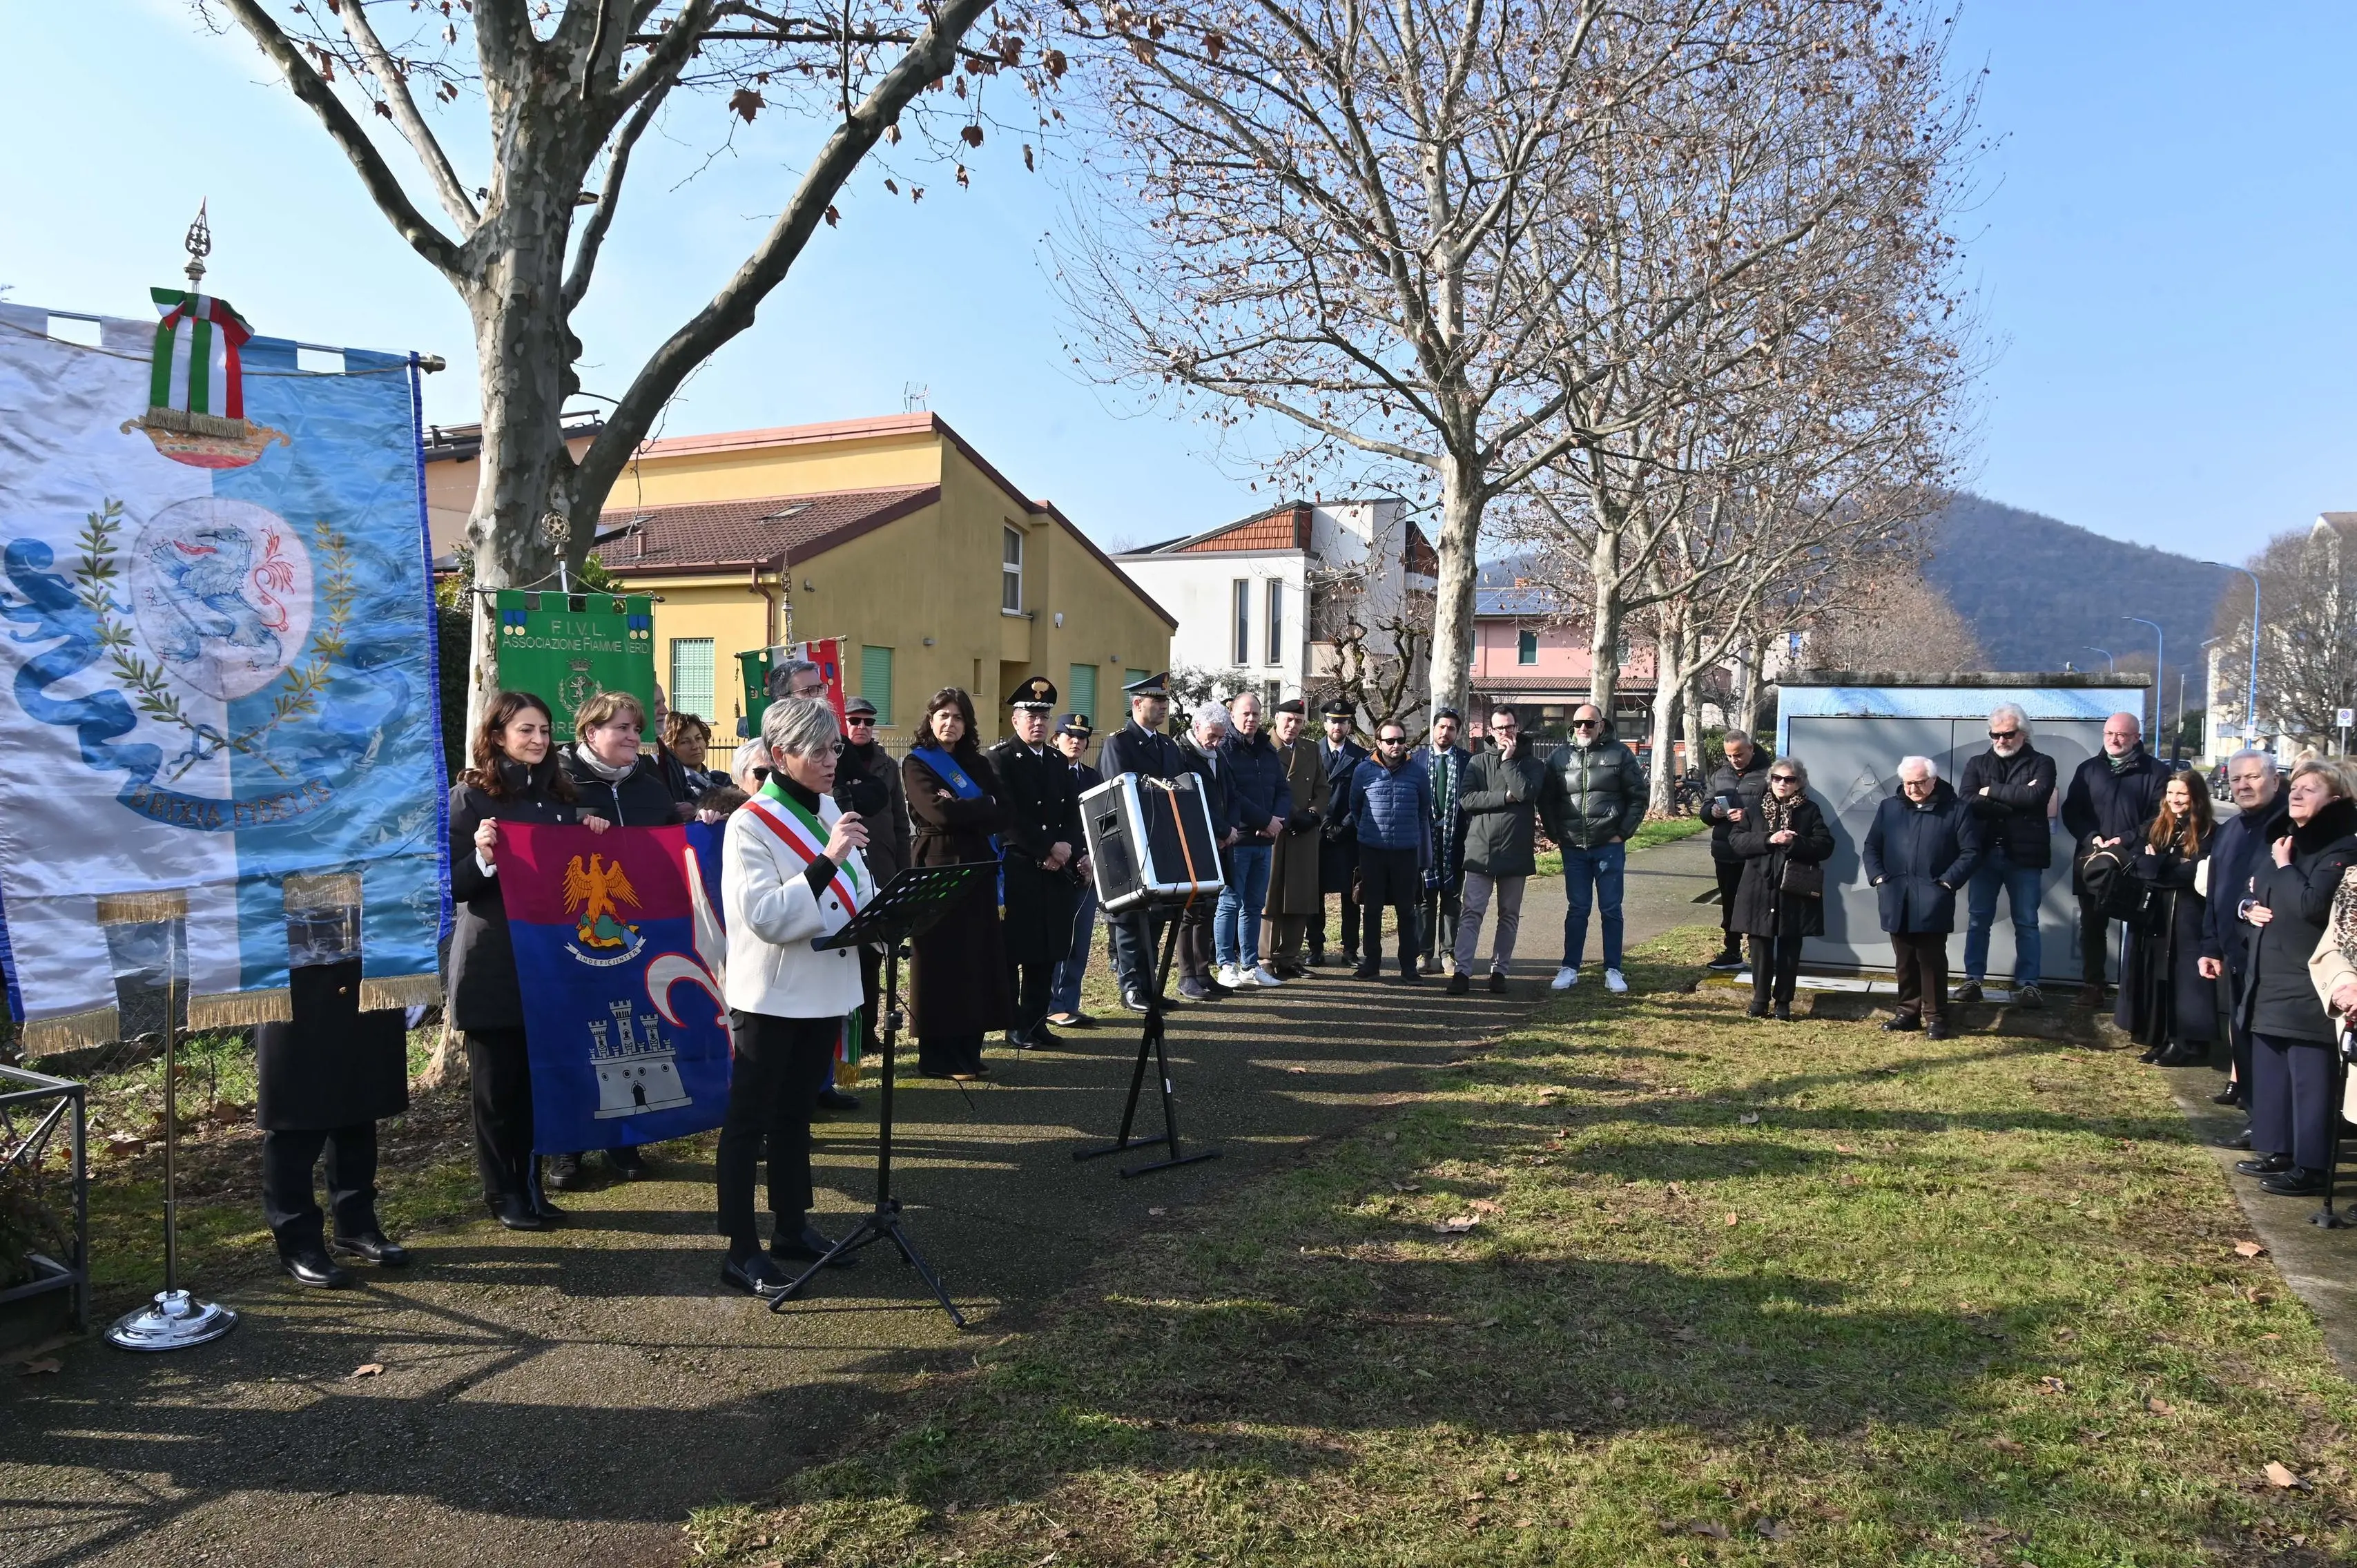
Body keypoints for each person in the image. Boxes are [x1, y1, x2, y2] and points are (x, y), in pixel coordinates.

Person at [715, 697, 866, 1296]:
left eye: (835, 748)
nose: (834, 759)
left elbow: (858, 885)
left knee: (796, 1116)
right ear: (781, 755)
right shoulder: (749, 823)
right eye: (821, 750)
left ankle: (792, 1227)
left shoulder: (828, 805)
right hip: (772, 994)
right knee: (748, 1122)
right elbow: (766, 916)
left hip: (825, 985)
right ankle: (739, 1247)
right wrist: (829, 860)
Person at [447, 690, 593, 1230]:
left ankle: (531, 1186)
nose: (537, 739)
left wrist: (593, 834)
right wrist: (482, 856)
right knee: (496, 1090)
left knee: (538, 1084)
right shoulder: (471, 796)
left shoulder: (559, 798)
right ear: (498, 734)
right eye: (525, 729)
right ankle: (501, 1192)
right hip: (494, 961)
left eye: (544, 730)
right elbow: (455, 886)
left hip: (550, 965)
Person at [552, 689, 684, 1189]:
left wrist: (701, 821)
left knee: (630, 1037)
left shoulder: (649, 784)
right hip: (574, 940)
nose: (634, 737)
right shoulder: (562, 783)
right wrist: (572, 822)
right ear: (591, 733)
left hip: (638, 937)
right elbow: (537, 838)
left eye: (636, 728)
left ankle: (624, 1137)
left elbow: (675, 841)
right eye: (623, 728)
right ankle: (568, 1147)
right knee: (575, 1035)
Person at [2231, 757, 2357, 1197]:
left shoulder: (2340, 848)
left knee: (2310, 1076)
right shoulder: (2283, 840)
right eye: (2296, 787)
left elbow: (2310, 906)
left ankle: (2312, 1164)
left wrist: (2284, 868)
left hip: (2308, 978)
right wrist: (2246, 910)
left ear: (2336, 799)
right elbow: (2252, 894)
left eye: (2311, 789)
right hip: (2268, 973)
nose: (2298, 794)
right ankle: (2278, 1148)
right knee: (2271, 1066)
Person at [256, 944, 411, 1288]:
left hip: (359, 962)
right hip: (290, 970)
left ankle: (356, 1225)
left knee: (358, 1102)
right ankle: (298, 1244)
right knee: (295, 1117)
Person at [902, 688, 1013, 1077]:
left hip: (979, 866)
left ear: (968, 724)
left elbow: (1004, 813)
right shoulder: (917, 764)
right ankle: (937, 1057)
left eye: (958, 717)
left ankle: (968, 1052)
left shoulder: (978, 764)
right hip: (937, 866)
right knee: (942, 960)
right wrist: (981, 807)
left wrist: (965, 805)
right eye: (943, 715)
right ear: (931, 720)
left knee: (976, 958)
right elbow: (938, 813)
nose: (950, 723)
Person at [990, 676, 1085, 1048]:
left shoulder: (1059, 762)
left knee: (1048, 950)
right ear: (1015, 720)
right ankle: (1014, 1024)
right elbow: (1008, 817)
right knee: (1018, 949)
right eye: (1031, 715)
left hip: (1055, 870)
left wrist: (1068, 848)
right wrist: (1046, 848)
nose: (1039, 722)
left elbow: (1073, 812)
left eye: (1044, 716)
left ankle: (1036, 1020)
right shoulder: (999, 759)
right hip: (1019, 867)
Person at [827, 694, 908, 1112]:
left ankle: (870, 1030)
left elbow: (899, 819)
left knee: (873, 960)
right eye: (854, 720)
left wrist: (902, 868)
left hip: (881, 867)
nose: (861, 727)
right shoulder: (832, 762)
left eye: (868, 721)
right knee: (846, 959)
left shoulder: (885, 766)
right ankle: (843, 1048)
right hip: (839, 873)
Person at [1862, 755, 1979, 1041]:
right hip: (1895, 894)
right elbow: (1871, 846)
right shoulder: (1889, 808)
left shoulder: (1956, 809)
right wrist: (1879, 879)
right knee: (1904, 959)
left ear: (1933, 780)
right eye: (1908, 783)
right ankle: (1907, 1013)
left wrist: (1947, 883)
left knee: (1931, 959)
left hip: (1933, 896)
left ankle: (1937, 1017)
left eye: (1919, 782)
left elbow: (1971, 852)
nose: (1913, 788)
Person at [2200, 750, 2287, 1124]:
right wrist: (2210, 945)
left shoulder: (2287, 826)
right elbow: (2216, 890)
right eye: (2236, 779)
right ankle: (2256, 1123)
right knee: (2240, 1032)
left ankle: (2269, 1128)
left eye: (2252, 777)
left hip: (2273, 954)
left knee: (2267, 1046)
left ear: (2275, 781)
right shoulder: (2232, 829)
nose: (2243, 786)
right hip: (2234, 950)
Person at [2061, 711, 2169, 1007]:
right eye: (2109, 734)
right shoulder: (2088, 769)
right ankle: (2092, 986)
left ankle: (2137, 993)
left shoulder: (2155, 772)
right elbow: (2072, 811)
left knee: (2140, 926)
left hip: (2134, 861)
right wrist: (2091, 837)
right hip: (2093, 861)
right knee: (2092, 926)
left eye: (2122, 735)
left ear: (2136, 738)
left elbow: (2160, 817)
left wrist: (2127, 839)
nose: (2114, 739)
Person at [1539, 703, 1646, 994]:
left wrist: (1622, 833)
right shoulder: (1559, 757)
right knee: (1578, 909)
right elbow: (1546, 800)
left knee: (1611, 909)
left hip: (1608, 846)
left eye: (1589, 722)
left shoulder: (1620, 754)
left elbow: (1638, 797)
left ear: (1601, 724)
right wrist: (1555, 833)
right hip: (1573, 847)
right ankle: (1570, 967)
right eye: (1577, 723)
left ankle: (1613, 969)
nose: (1583, 728)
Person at [1098, 672, 1189, 1012]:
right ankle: (1131, 988)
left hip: (1162, 840)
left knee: (1155, 916)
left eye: (1166, 702)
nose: (1164, 708)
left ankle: (1150, 986)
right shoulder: (1119, 743)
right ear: (1138, 704)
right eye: (1158, 702)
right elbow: (1118, 793)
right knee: (1130, 917)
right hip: (1130, 843)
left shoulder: (1167, 745)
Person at [1957, 704, 2057, 1007]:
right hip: (1985, 854)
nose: (2000, 740)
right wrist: (2013, 799)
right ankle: (1973, 980)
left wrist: (1990, 791)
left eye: (2008, 734)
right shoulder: (1976, 763)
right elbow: (1966, 800)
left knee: (2026, 921)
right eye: (1995, 735)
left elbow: (2037, 796)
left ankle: (2029, 985)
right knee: (1978, 920)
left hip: (2024, 857)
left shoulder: (2043, 763)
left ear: (2024, 735)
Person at [2121, 771, 2218, 1065]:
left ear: (2196, 797)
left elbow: (2197, 873)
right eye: (2171, 793)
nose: (2176, 800)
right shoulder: (2155, 826)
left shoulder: (2210, 831)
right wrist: (2169, 865)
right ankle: (2161, 1036)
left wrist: (2160, 863)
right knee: (2156, 975)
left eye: (2183, 794)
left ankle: (2188, 1042)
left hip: (2189, 914)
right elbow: (2138, 863)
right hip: (2155, 912)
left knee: (2185, 977)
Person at [1728, 758, 1836, 1020]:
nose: (1782, 784)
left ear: (1799, 783)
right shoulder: (1755, 808)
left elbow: (1825, 846)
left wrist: (1795, 842)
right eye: (1777, 778)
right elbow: (1737, 841)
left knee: (1790, 946)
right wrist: (1769, 839)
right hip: (1759, 887)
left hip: (1793, 889)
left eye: (1789, 780)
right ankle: (1760, 999)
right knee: (1759, 945)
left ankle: (1784, 1002)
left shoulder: (1810, 811)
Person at [1451, 706, 1545, 994]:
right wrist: (1503, 797)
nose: (1505, 733)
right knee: (1472, 913)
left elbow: (1527, 793)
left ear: (1517, 728)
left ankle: (1499, 971)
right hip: (1481, 850)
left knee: (1509, 915)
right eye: (1499, 728)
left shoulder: (1533, 764)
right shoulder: (1478, 762)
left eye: (1509, 727)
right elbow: (1467, 799)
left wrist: (1507, 762)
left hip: (1515, 851)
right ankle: (1462, 972)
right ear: (1491, 731)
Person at [1216, 691, 1293, 989]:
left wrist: (1277, 820)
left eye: (1256, 715)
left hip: (1265, 840)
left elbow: (1282, 789)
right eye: (1245, 713)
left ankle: (1250, 965)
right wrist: (1265, 820)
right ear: (1232, 714)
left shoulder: (1267, 749)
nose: (1251, 719)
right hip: (1238, 839)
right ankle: (1226, 964)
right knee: (1230, 902)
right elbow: (1232, 794)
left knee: (1254, 905)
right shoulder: (1225, 749)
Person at [1350, 722, 1433, 982]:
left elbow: (1423, 810)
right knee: (1372, 909)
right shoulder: (1363, 771)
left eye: (1400, 740)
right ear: (1378, 743)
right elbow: (1355, 807)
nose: (1395, 745)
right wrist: (1369, 833)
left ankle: (1409, 966)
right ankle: (1371, 963)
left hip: (1406, 851)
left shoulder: (1418, 773)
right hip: (1372, 850)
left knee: (1407, 911)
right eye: (1389, 741)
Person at [1263, 698, 1332, 979]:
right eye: (1288, 720)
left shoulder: (1311, 749)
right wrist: (1291, 816)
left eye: (1299, 721)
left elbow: (1323, 788)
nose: (1293, 726)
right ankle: (1265, 956)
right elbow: (1266, 788)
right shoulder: (1264, 746)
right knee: (1271, 895)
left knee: (1299, 895)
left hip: (1304, 833)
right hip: (1276, 829)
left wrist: (1313, 815)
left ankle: (1289, 956)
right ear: (1276, 719)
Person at [1176, 703, 1239, 1002]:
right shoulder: (1181, 755)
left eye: (1221, 737)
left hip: (1220, 843)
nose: (1215, 742)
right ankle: (1187, 976)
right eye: (1212, 735)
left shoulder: (1219, 756)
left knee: (1207, 909)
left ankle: (1203, 972)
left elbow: (1231, 795)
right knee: (1189, 912)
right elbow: (1189, 800)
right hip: (1193, 844)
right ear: (1197, 726)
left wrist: (1231, 829)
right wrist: (1222, 830)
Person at [1047, 714, 1105, 1029]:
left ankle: (1069, 1003)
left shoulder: (1093, 777)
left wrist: (1091, 859)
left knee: (1080, 942)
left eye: (1082, 738)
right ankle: (1052, 1005)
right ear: (1056, 739)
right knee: (1057, 940)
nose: (1076, 742)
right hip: (1055, 868)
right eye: (1069, 736)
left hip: (1086, 868)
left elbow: (1100, 822)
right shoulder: (1049, 772)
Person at [1703, 730, 1774, 971]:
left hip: (1754, 852)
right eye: (1729, 756)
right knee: (1729, 904)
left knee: (1758, 903)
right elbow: (1705, 808)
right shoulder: (1719, 776)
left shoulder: (1769, 775)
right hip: (1725, 850)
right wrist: (1712, 812)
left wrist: (1749, 816)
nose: (1734, 759)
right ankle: (1732, 950)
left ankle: (1761, 954)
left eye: (1739, 754)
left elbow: (1776, 812)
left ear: (1751, 749)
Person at [1313, 697, 1371, 967]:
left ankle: (1350, 950)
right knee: (1315, 894)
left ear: (1349, 725)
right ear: (1325, 723)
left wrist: (1345, 826)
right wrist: (1325, 824)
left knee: (1351, 897)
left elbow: (1363, 798)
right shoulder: (1311, 752)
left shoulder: (1361, 757)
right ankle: (1315, 947)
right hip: (1318, 834)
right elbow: (1310, 792)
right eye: (1333, 721)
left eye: (1343, 722)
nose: (1337, 726)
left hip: (1349, 836)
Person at [1419, 707, 1472, 979]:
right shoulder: (1416, 759)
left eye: (1451, 728)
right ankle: (1424, 953)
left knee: (1452, 898)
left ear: (1457, 733)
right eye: (1441, 727)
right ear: (1433, 728)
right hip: (1425, 840)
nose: (1445, 732)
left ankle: (1448, 952)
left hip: (1456, 839)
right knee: (1426, 899)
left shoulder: (1468, 761)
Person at [654, 710, 724, 807]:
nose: (695, 746)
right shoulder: (671, 788)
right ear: (671, 749)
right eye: (685, 742)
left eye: (699, 738)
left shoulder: (723, 780)